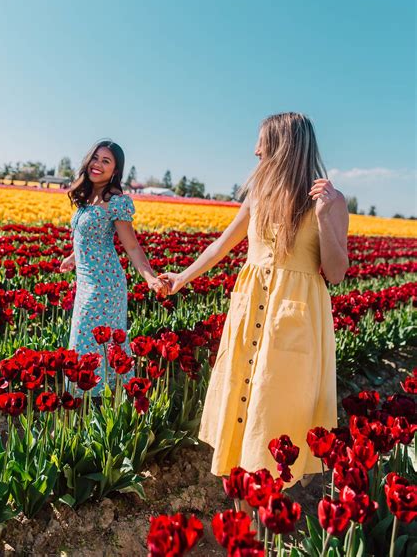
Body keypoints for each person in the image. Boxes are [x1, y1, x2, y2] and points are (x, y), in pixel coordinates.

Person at [160, 113, 349, 496]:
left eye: (262, 141)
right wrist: (181, 278)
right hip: (251, 307)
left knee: (276, 403)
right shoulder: (259, 192)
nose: (255, 149)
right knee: (244, 395)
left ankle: (270, 505)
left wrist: (325, 217)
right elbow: (221, 245)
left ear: (283, 145)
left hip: (292, 315)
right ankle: (244, 508)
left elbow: (337, 271)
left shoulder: (330, 200)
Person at [61, 139, 168, 391]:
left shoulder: (116, 201)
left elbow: (131, 246)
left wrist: (150, 278)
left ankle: (94, 400)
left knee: (89, 342)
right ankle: (88, 400)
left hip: (104, 286)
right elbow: (89, 236)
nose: (97, 164)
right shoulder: (89, 196)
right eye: (95, 158)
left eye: (105, 161)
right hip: (86, 283)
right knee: (85, 341)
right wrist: (73, 257)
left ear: (115, 170)